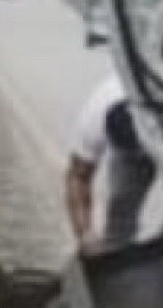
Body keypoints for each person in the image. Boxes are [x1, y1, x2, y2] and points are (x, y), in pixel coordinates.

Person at [65, 72, 158, 250]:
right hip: (132, 147)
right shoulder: (94, 118)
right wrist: (85, 233)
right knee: (122, 206)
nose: (140, 155)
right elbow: (77, 178)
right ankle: (120, 260)